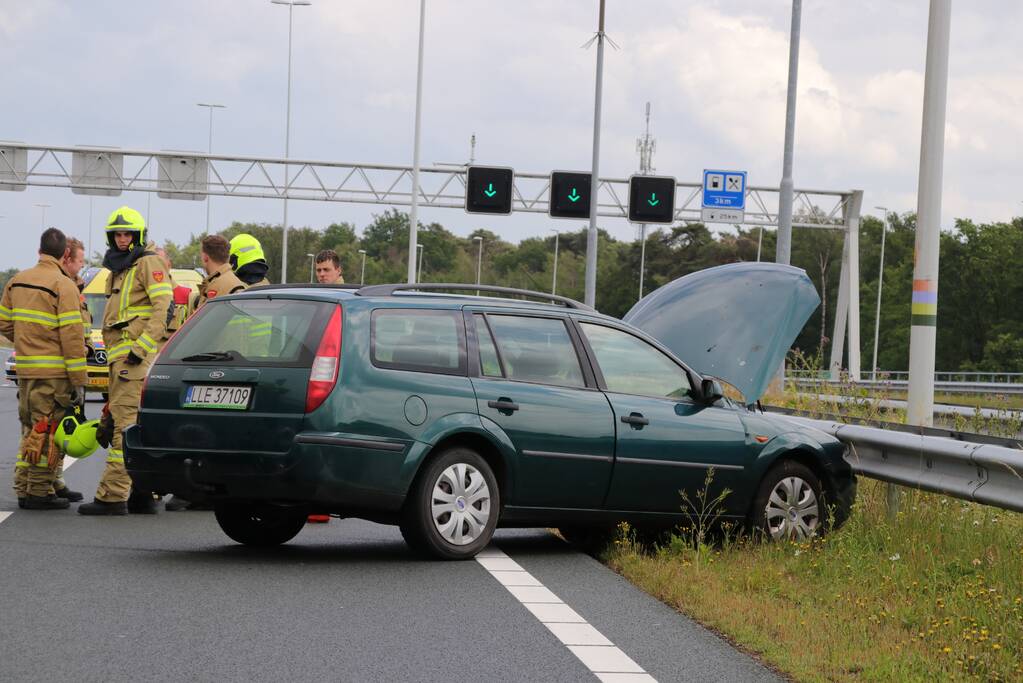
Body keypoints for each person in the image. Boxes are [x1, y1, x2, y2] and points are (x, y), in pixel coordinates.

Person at [78, 207, 173, 516]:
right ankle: (142, 494)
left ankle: (111, 496)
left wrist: (141, 349)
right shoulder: (123, 268)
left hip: (132, 360)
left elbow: (163, 307)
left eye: (127, 234)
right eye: (117, 234)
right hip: (121, 358)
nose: (121, 239)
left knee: (124, 428)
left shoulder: (148, 263)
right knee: (135, 426)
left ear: (138, 236)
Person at [1, 228, 87, 510]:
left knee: (30, 431)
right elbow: (73, 337)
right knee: (46, 431)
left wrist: (27, 342)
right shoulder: (64, 286)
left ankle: (25, 489)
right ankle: (38, 493)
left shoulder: (17, 281)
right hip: (53, 375)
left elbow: (3, 324)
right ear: (64, 254)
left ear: (39, 249)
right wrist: (78, 380)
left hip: (25, 371)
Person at [163, 235, 251, 513]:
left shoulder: (226, 287)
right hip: (220, 367)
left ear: (204, 257)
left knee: (206, 431)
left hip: (218, 367)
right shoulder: (223, 284)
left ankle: (198, 492)